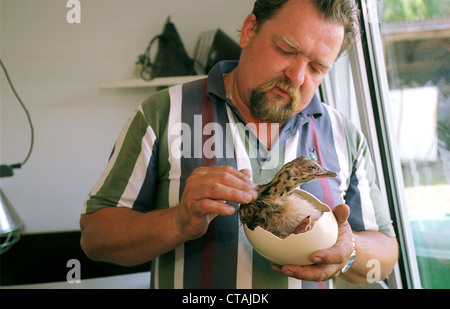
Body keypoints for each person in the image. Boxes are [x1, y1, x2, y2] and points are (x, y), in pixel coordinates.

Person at [80, 0, 398, 289]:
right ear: (249, 31)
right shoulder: (163, 113)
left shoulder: (344, 133)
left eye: (316, 68)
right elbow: (95, 237)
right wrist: (177, 222)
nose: (298, 77)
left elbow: (386, 253)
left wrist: (350, 249)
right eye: (286, 50)